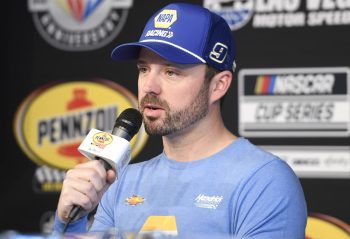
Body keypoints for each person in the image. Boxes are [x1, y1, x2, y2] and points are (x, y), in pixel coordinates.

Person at [54, 2, 307, 238]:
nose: (149, 86)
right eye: (143, 69)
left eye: (171, 71)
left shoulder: (263, 181)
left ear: (219, 85)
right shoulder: (123, 182)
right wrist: (70, 222)